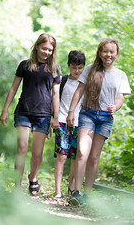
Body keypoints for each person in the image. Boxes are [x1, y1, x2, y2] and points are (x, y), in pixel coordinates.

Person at [66, 38, 131, 206]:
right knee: (82, 151)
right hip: (87, 113)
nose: (108, 54)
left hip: (105, 119)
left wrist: (115, 107)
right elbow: (79, 91)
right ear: (100, 53)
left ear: (116, 54)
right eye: (105, 51)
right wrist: (71, 111)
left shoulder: (121, 75)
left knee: (94, 157)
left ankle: (86, 195)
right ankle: (76, 192)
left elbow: (120, 97)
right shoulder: (90, 70)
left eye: (112, 51)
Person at [0, 33, 60, 196]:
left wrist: (55, 117)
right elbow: (13, 88)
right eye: (44, 48)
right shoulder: (25, 65)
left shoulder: (54, 69)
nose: (47, 52)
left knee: (37, 153)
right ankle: (17, 186)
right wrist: (5, 110)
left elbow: (56, 94)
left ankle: (33, 178)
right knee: (22, 147)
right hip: (24, 112)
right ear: (37, 46)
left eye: (50, 50)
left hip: (43, 115)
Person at [53, 50, 86, 198]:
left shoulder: (85, 83)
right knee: (62, 156)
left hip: (80, 124)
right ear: (68, 66)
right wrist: (52, 119)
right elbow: (55, 99)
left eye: (80, 68)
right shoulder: (62, 80)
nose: (77, 71)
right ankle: (57, 191)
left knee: (74, 157)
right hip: (61, 121)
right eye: (74, 68)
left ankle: (71, 187)